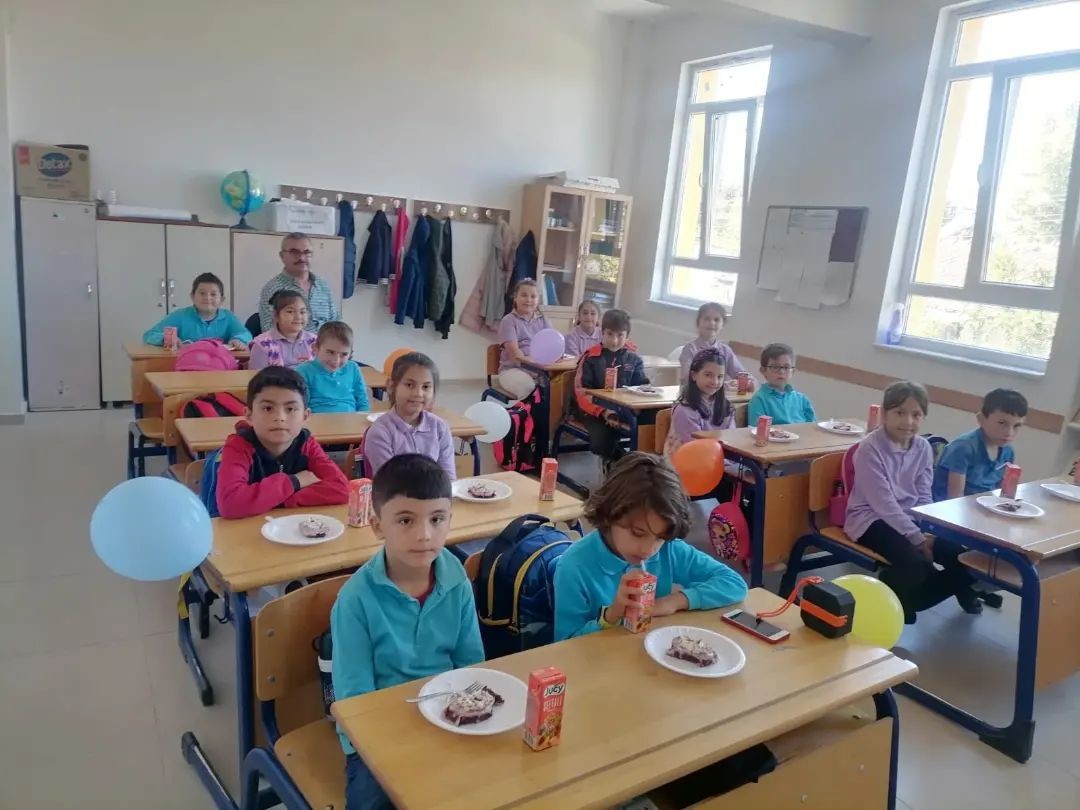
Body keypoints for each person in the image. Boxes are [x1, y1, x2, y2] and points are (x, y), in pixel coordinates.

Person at [331, 454, 484, 810]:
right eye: (405, 520)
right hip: (377, 732)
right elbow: (355, 701)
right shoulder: (354, 601)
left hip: (447, 717)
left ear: (450, 520)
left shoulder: (458, 582)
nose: (424, 535)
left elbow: (471, 668)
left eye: (437, 519)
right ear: (377, 526)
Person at [553, 452, 747, 640]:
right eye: (638, 533)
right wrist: (611, 616)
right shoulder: (574, 566)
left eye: (660, 537)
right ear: (609, 514)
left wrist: (674, 601)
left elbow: (734, 584)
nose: (648, 550)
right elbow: (564, 643)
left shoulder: (668, 550)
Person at [844, 381, 979, 624]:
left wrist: (928, 531)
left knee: (966, 560)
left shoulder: (923, 447)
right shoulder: (869, 448)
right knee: (915, 566)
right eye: (899, 412)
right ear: (884, 414)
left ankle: (901, 599)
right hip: (870, 519)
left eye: (916, 415)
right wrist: (917, 538)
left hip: (912, 518)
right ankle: (898, 597)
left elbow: (924, 495)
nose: (908, 421)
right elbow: (883, 504)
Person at [215, 367, 349, 519]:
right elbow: (230, 504)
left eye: (290, 409)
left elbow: (342, 489)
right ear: (249, 415)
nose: (280, 417)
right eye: (268, 408)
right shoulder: (239, 446)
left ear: (305, 416)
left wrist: (277, 500)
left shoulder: (307, 445)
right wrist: (294, 481)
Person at [573, 308, 649, 472]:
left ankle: (639, 466)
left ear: (627, 336)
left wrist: (645, 390)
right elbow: (581, 393)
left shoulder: (634, 359)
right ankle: (622, 463)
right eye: (610, 334)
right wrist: (603, 412)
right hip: (594, 412)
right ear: (602, 332)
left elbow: (641, 387)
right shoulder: (591, 358)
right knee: (601, 442)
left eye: (620, 335)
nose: (614, 341)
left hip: (625, 411)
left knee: (648, 426)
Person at [363, 352, 455, 480]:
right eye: (410, 385)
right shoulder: (380, 432)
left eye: (426, 387)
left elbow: (448, 479)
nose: (418, 393)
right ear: (391, 386)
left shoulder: (440, 428)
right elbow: (391, 484)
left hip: (436, 492)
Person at [932, 388, 1028, 501]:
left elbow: (1001, 494)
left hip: (983, 506)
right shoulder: (963, 448)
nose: (1009, 433)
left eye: (1016, 426)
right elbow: (954, 498)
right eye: (1002, 423)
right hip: (949, 508)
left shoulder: (1008, 451)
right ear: (981, 419)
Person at [258, 232, 340, 333]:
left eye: (306, 252)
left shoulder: (322, 286)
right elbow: (269, 332)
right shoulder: (272, 289)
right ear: (282, 256)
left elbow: (336, 324)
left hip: (326, 342)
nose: (302, 258)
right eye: (294, 252)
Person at [142, 272, 250, 348]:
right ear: (192, 296)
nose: (207, 298)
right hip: (186, 367)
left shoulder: (228, 317)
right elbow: (149, 335)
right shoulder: (180, 316)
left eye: (213, 294)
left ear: (222, 300)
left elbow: (246, 334)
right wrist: (166, 339)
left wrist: (238, 340)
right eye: (202, 293)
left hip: (220, 367)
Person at [663, 347, 734, 458]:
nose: (715, 381)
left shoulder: (726, 407)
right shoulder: (684, 410)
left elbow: (731, 440)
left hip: (719, 459)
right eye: (708, 375)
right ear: (694, 375)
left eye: (720, 376)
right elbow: (697, 449)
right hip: (689, 462)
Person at [295, 321, 370, 413]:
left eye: (344, 354)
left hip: (350, 419)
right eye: (330, 352)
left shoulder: (353, 368)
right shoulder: (304, 371)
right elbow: (300, 406)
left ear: (351, 353)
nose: (336, 360)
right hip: (317, 419)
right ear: (315, 348)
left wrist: (363, 418)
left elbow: (362, 401)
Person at [495, 279, 551, 399]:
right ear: (515, 298)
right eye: (524, 295)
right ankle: (524, 411)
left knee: (561, 385)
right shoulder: (508, 321)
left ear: (538, 299)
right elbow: (515, 356)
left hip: (540, 370)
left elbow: (552, 347)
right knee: (529, 388)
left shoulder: (544, 320)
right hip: (513, 370)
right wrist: (536, 373)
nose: (529, 300)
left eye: (533, 296)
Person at [675, 302, 750, 386]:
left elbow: (742, 375)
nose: (712, 323)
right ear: (698, 322)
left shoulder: (725, 350)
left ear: (722, 325)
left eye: (716, 320)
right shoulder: (690, 349)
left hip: (719, 393)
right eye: (706, 319)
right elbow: (687, 379)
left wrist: (741, 382)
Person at [747, 343, 816, 426]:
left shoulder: (802, 399)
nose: (781, 371)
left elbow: (813, 427)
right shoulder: (759, 399)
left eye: (786, 367)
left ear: (793, 372)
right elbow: (757, 430)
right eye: (775, 367)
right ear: (763, 370)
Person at [248, 290, 317, 370]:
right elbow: (256, 376)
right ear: (276, 315)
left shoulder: (315, 341)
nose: (298, 317)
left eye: (302, 312)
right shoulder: (262, 344)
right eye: (290, 311)